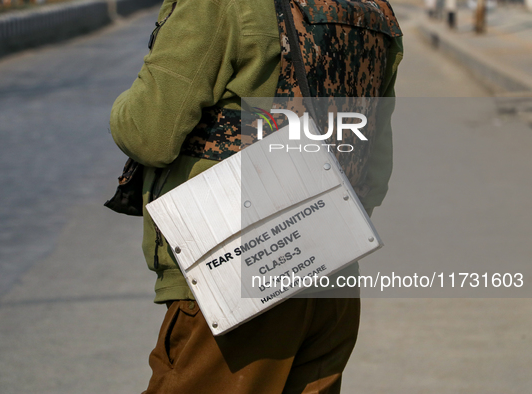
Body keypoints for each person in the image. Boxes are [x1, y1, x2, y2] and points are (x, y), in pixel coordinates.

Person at [109, 0, 403, 392]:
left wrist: (120, 108)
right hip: (333, 273)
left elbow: (146, 134)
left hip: (240, 270)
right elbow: (375, 166)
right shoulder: (372, 9)